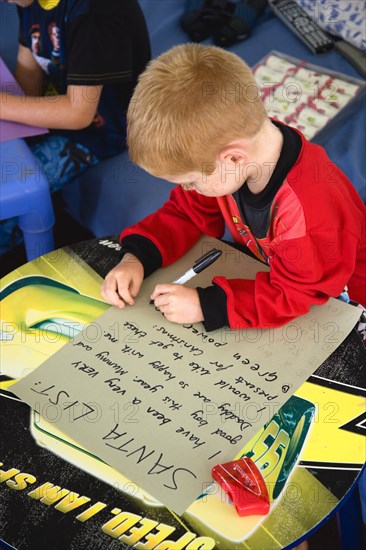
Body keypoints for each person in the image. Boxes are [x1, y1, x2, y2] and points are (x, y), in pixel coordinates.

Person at [101, 43, 366, 332]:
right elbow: (187, 213)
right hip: (285, 280)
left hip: (347, 306)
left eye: (191, 181)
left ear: (233, 157)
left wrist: (208, 304)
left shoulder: (308, 212)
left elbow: (296, 293)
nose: (189, 190)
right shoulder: (239, 154)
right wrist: (137, 257)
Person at [0, 0, 150, 255]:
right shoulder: (29, 1)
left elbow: (79, 114)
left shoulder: (95, 13)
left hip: (104, 130)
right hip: (56, 108)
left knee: (13, 194)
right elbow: (30, 74)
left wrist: (5, 106)